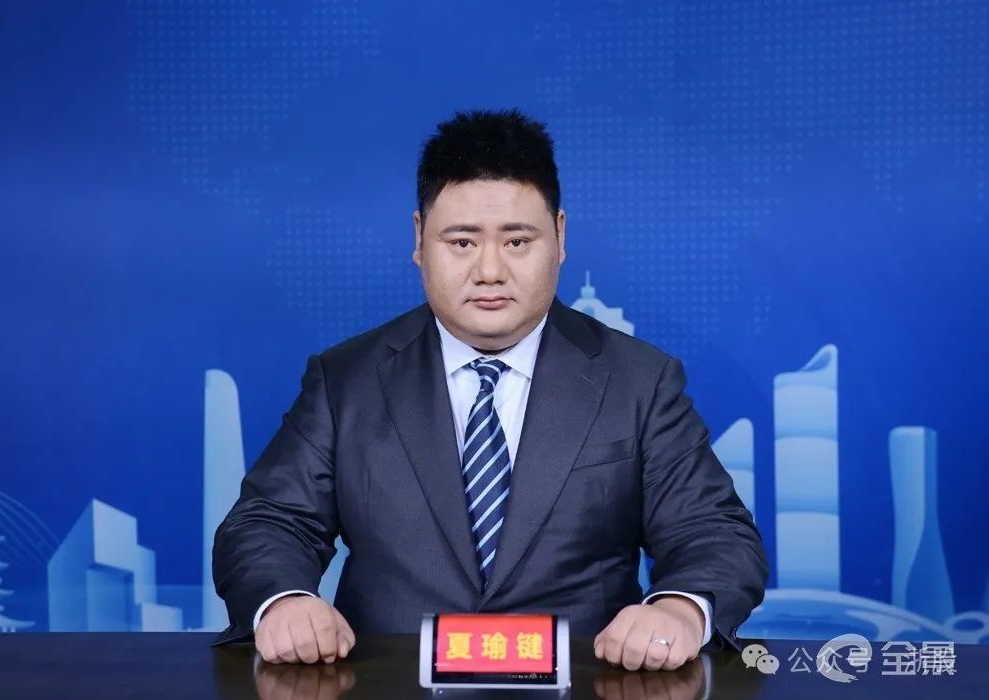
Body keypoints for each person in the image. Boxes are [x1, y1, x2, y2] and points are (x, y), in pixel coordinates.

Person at [212, 109, 767, 672]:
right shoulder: (347, 380)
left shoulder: (639, 381)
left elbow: (713, 532)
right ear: (419, 239)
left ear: (560, 236)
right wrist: (285, 601)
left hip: (588, 683)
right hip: (389, 682)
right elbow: (268, 523)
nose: (490, 271)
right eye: (462, 242)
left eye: (518, 241)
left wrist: (679, 609)